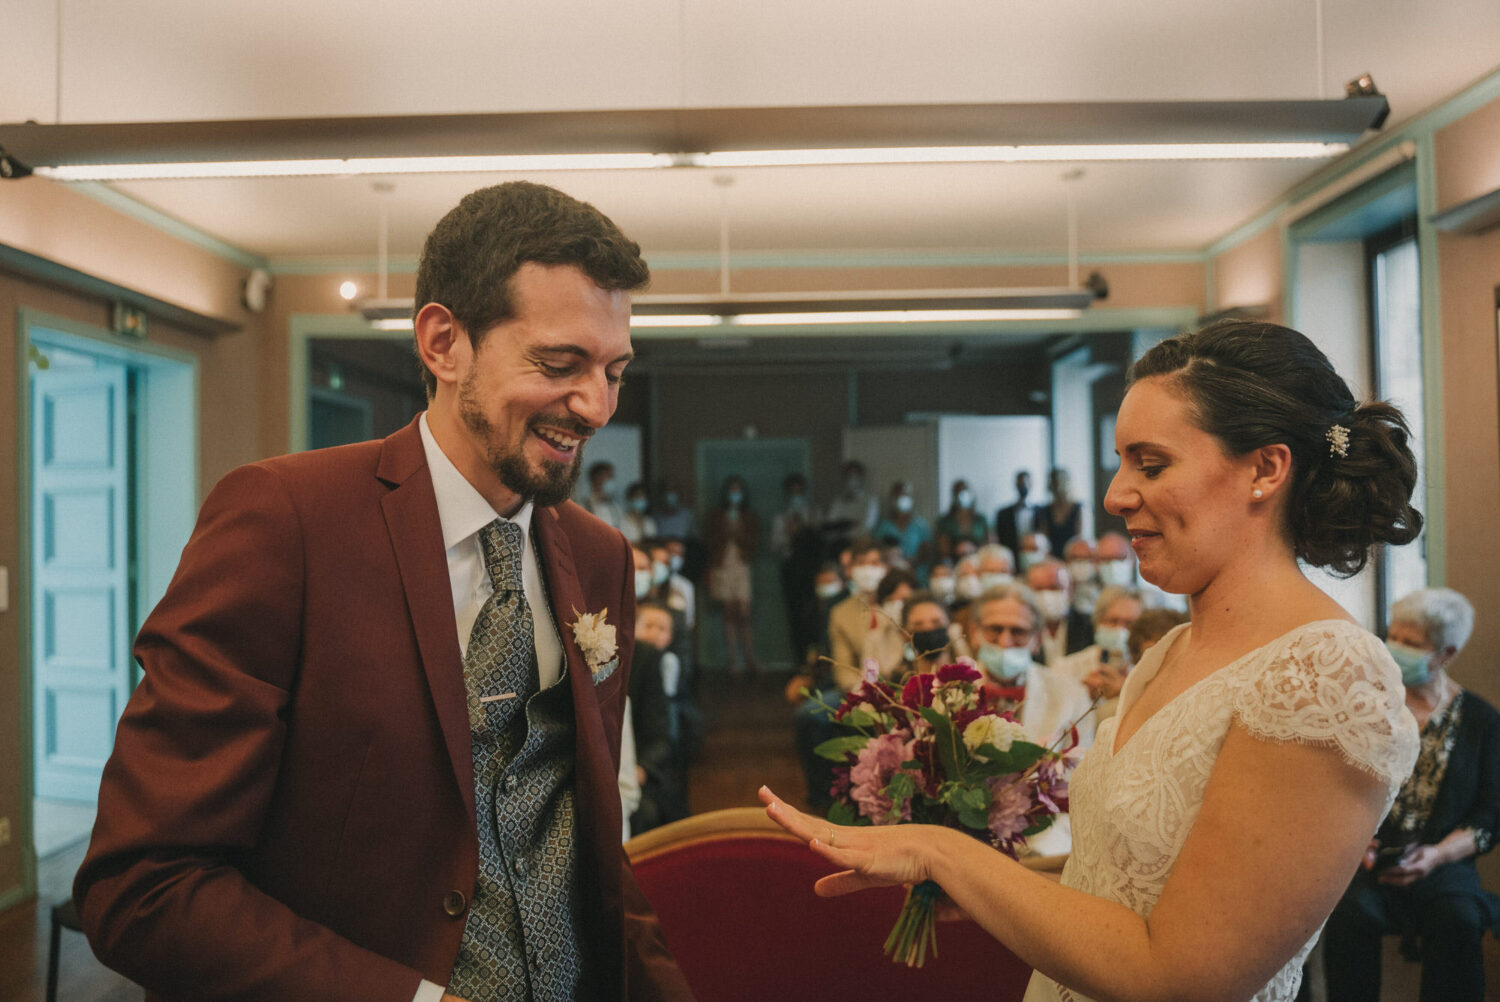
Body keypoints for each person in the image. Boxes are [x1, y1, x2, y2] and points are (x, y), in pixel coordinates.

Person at [74, 181, 692, 1001]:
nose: (596, 407)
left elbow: (583, 847)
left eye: (615, 371)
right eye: (559, 364)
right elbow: (143, 886)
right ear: (443, 343)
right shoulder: (285, 522)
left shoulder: (599, 555)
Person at [763, 318, 1423, 1002]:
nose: (1114, 495)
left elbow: (1181, 977)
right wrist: (972, 880)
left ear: (1265, 469)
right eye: (1121, 462)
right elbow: (1115, 884)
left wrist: (943, 849)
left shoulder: (1324, 674)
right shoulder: (1170, 651)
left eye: (1151, 464)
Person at [1318, 588, 1500, 1002]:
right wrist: (1356, 840)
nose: (1394, 648)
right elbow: (1335, 786)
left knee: (1458, 919)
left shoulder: (1482, 721)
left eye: (1411, 643)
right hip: (1367, 856)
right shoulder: (1367, 707)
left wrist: (1436, 856)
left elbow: (1491, 817)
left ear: (1446, 654)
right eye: (1394, 636)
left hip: (1443, 861)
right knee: (1348, 914)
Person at [964, 583, 1096, 857]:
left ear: (1036, 639)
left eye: (1018, 632)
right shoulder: (950, 691)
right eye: (995, 629)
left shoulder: (1069, 694)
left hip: (1042, 833)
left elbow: (1078, 781)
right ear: (975, 633)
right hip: (963, 828)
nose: (1005, 642)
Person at [704, 473, 760, 675]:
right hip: (722, 565)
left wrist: (739, 534)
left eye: (738, 491)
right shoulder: (716, 515)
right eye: (731, 490)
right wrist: (725, 533)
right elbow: (709, 540)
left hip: (741, 564)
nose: (735, 494)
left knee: (744, 612)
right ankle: (733, 661)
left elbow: (755, 542)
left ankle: (751, 658)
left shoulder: (749, 515)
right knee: (729, 612)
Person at [1058, 584, 1146, 691]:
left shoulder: (1148, 673)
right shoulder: (1067, 668)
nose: (1120, 629)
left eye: (1130, 624)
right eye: (1113, 621)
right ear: (1097, 623)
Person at [1026, 556, 1092, 666]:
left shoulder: (1089, 626)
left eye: (1054, 588)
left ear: (1070, 589)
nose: (1046, 595)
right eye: (1039, 589)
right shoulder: (1023, 629)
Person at [872, 480, 933, 577]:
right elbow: (877, 550)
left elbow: (926, 552)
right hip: (890, 574)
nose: (901, 499)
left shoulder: (920, 525)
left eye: (904, 495)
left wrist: (911, 563)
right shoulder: (883, 526)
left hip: (917, 575)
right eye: (897, 496)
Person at [903, 591, 965, 676]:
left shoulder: (969, 674)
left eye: (936, 622)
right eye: (918, 625)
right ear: (906, 632)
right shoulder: (900, 678)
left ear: (949, 624)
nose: (928, 629)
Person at [935, 479, 991, 559]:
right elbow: (943, 548)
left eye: (965, 491)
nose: (963, 496)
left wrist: (973, 549)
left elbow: (989, 544)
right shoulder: (945, 521)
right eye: (959, 492)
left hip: (978, 559)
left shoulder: (981, 519)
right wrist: (958, 550)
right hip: (953, 561)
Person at [1034, 467, 1083, 558]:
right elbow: (1044, 542)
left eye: (1060, 482)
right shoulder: (1045, 511)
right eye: (1055, 483)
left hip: (1074, 558)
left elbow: (1080, 539)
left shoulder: (1078, 508)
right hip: (1051, 559)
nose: (1058, 488)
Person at [824, 460, 880, 538]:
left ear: (861, 478)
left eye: (855, 476)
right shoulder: (838, 501)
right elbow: (831, 522)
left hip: (858, 541)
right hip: (836, 541)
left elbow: (866, 527)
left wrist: (844, 529)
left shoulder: (870, 501)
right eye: (848, 476)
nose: (851, 479)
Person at [994, 469, 1037, 556]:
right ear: (1016, 485)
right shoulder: (1003, 514)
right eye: (1020, 484)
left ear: (1031, 485)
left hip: (1035, 555)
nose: (1023, 486)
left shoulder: (1040, 511)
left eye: (1025, 483)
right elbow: (1000, 540)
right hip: (1012, 556)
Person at [584, 460, 624, 531]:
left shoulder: (615, 506)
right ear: (597, 479)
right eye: (609, 477)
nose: (611, 481)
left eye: (612, 477)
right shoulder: (586, 504)